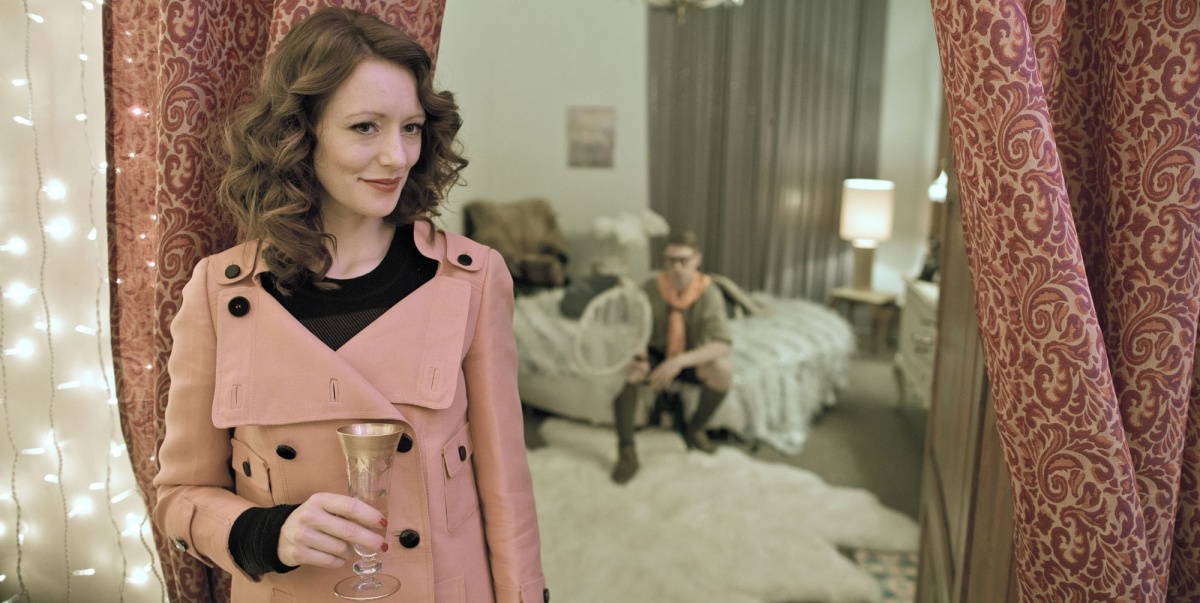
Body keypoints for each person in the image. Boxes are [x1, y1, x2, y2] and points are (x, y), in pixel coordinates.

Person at [152, 8, 547, 602]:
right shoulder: (221, 293)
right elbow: (179, 497)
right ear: (299, 134)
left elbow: (506, 489)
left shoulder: (471, 278)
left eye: (411, 128)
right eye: (366, 127)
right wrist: (269, 533)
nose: (397, 156)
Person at [610, 230, 733, 484]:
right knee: (630, 373)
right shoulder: (651, 287)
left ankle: (695, 428)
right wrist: (640, 355)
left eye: (683, 261)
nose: (676, 268)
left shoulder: (708, 292)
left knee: (723, 370)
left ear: (697, 259)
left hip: (689, 356)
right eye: (670, 260)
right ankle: (627, 451)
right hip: (656, 352)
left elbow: (722, 344)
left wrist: (679, 361)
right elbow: (635, 327)